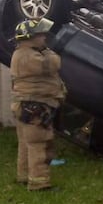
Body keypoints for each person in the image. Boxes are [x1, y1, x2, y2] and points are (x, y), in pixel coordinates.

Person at [10, 18, 66, 191]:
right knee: (39, 144)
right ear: (30, 37)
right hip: (35, 107)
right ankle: (39, 183)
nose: (45, 37)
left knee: (26, 143)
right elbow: (54, 64)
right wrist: (49, 51)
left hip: (27, 105)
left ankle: (24, 176)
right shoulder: (30, 56)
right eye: (41, 34)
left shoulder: (23, 53)